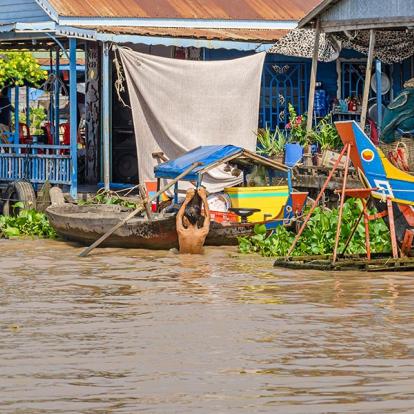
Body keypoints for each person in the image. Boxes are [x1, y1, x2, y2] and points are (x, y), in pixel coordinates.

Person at [176, 187, 210, 254]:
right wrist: (203, 197)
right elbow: (207, 217)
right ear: (199, 219)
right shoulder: (203, 232)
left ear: (185, 220)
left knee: (173, 251)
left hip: (183, 262)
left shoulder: (181, 231)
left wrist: (187, 199)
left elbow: (178, 216)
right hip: (198, 262)